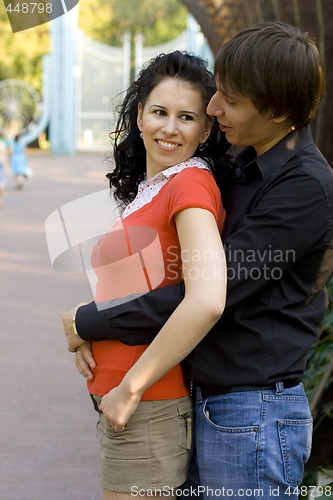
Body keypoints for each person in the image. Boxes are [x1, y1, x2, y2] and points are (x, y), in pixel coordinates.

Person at [64, 22, 333, 499]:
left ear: (274, 110)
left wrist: (95, 322)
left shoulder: (304, 187)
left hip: (253, 410)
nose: (212, 108)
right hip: (212, 399)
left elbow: (210, 291)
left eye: (227, 99)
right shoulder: (244, 164)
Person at [63, 51, 229, 499]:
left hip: (145, 408)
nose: (170, 128)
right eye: (159, 112)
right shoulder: (153, 189)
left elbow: (207, 299)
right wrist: (85, 328)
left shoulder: (189, 185)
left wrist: (131, 389)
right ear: (139, 115)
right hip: (124, 405)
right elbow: (139, 288)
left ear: (207, 128)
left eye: (187, 117)